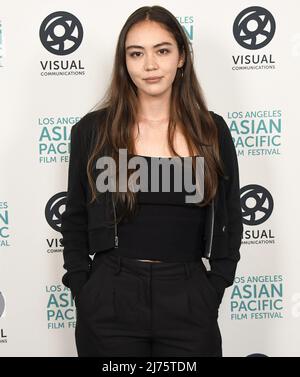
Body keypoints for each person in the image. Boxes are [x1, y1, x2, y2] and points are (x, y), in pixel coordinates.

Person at [60, 5, 243, 357]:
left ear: (181, 58)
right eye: (136, 53)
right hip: (110, 297)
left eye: (162, 50)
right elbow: (75, 218)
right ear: (124, 62)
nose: (149, 65)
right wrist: (84, 288)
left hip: (188, 297)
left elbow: (231, 217)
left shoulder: (211, 130)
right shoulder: (93, 131)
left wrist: (215, 286)